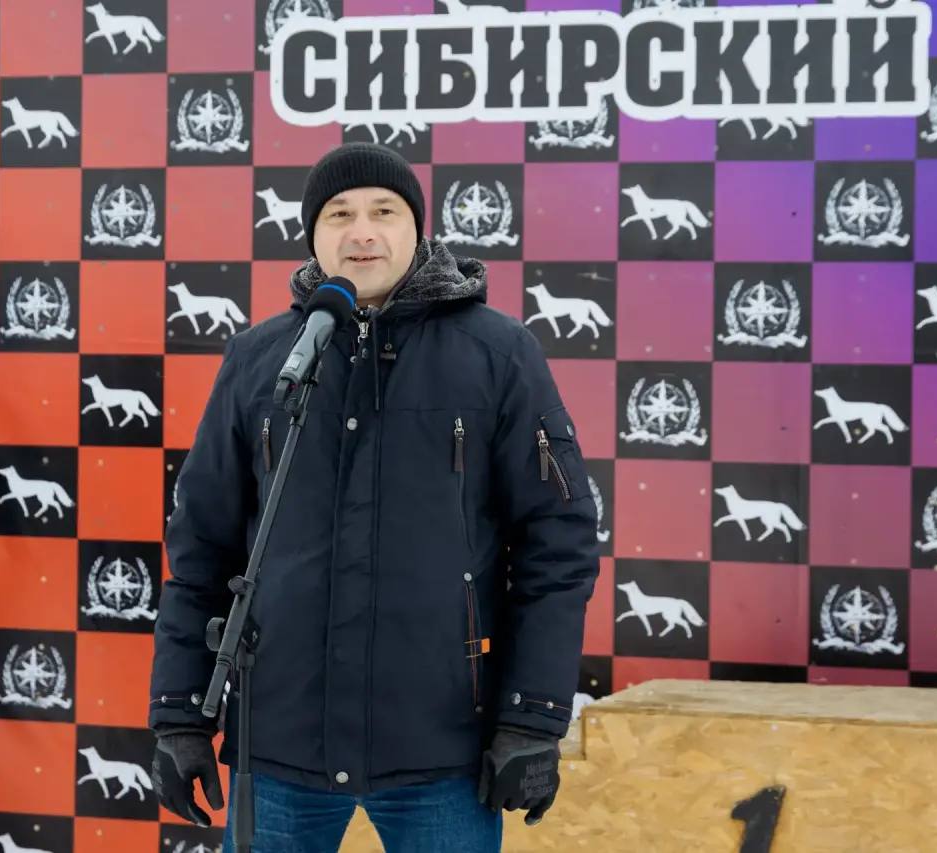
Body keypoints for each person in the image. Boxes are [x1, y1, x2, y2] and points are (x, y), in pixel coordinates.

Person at [148, 142, 600, 851]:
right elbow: (203, 547)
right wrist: (180, 712)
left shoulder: (498, 355)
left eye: (384, 212)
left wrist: (531, 714)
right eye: (339, 214)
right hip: (279, 744)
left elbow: (558, 544)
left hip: (441, 748)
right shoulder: (260, 360)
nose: (362, 231)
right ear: (314, 235)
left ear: (416, 228)